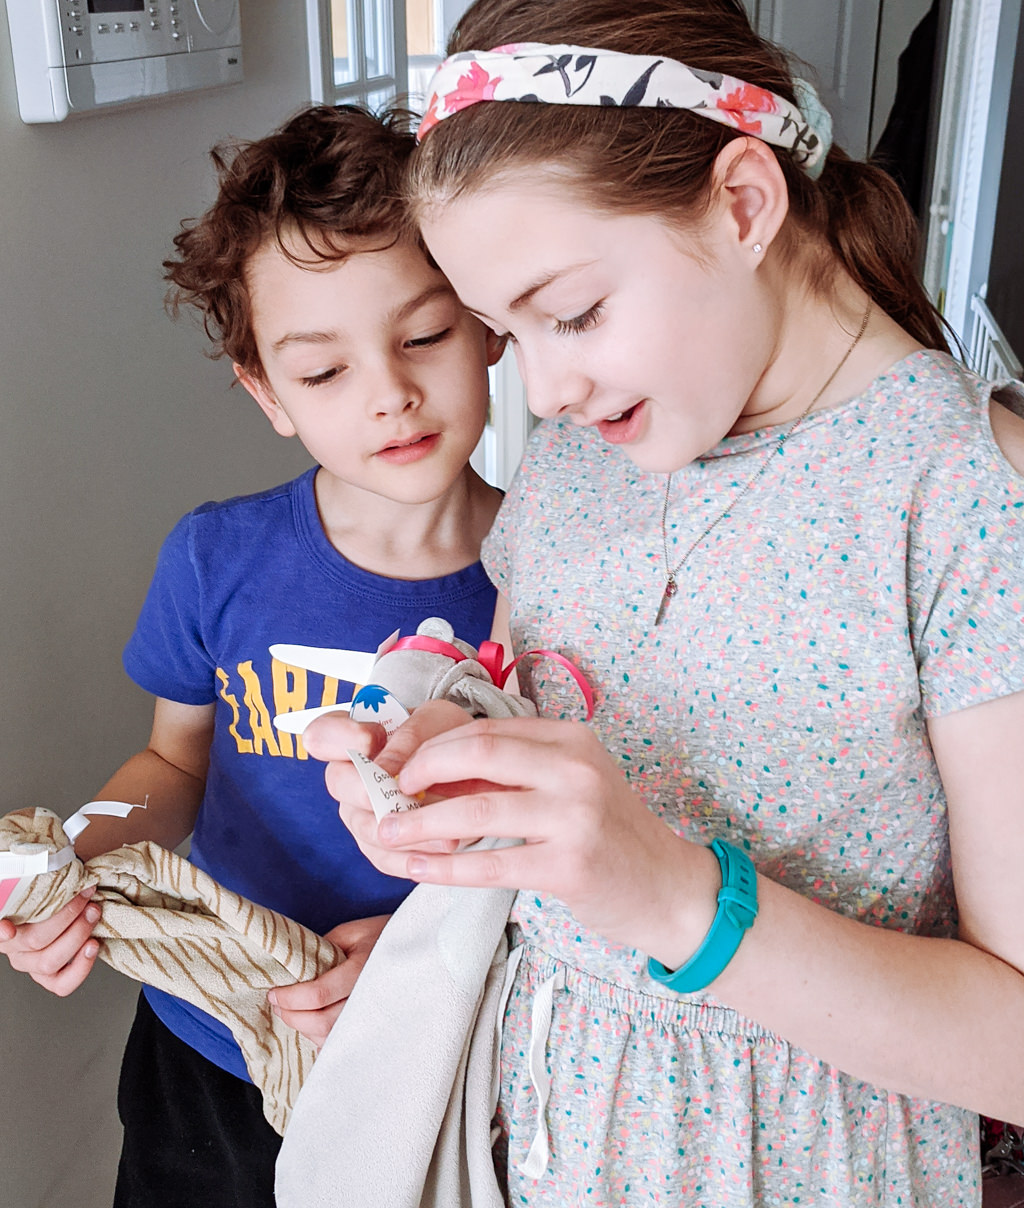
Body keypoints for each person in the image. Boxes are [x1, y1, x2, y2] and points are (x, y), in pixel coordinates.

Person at [305, 2, 1024, 1205]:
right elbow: (575, 743)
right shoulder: (585, 451)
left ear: (743, 203)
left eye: (574, 310)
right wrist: (451, 762)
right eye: (504, 331)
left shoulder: (964, 501)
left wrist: (678, 895)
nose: (545, 382)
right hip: (543, 1141)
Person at [0, 104, 503, 1208]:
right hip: (209, 1046)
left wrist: (412, 967)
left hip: (434, 1053)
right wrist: (72, 860)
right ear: (266, 391)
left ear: (490, 319)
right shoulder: (215, 556)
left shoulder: (554, 586)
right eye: (322, 372)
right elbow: (173, 766)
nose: (389, 392)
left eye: (423, 334)